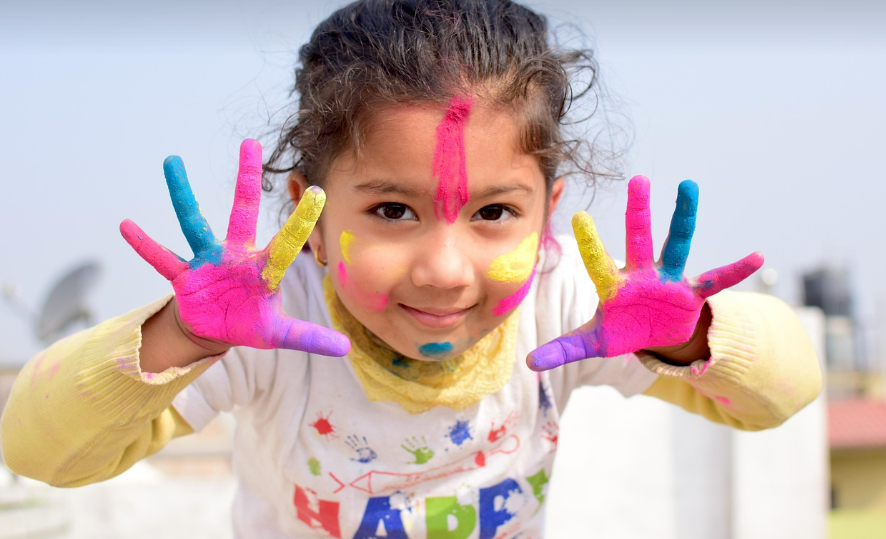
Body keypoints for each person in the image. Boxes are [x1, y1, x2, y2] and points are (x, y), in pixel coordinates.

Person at [1, 0, 821, 536]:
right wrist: (182, 335)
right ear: (311, 214)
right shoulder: (267, 323)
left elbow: (788, 388)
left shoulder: (568, 300)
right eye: (393, 211)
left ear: (547, 214)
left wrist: (689, 336)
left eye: (494, 213)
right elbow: (39, 451)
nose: (444, 270)